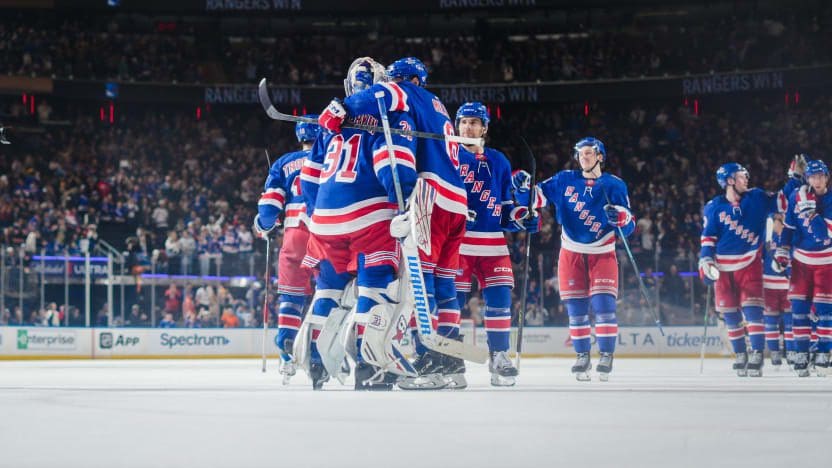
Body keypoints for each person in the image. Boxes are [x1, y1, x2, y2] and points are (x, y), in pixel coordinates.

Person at [318, 57, 469, 387]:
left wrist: (339, 108)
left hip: (432, 196)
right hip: (458, 202)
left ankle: (429, 357)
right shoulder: (438, 104)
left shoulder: (406, 93)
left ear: (404, 79)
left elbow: (378, 96)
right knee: (447, 289)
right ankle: (452, 359)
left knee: (420, 283)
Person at [302, 57, 417, 390]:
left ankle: (315, 360)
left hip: (324, 220)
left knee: (328, 288)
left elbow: (309, 181)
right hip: (368, 216)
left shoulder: (330, 125)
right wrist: (403, 204)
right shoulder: (385, 116)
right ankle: (370, 366)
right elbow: (391, 169)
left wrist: (316, 214)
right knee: (374, 286)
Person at [516, 137, 633, 381]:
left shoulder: (614, 185)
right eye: (580, 153)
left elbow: (629, 225)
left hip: (602, 253)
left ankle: (606, 355)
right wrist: (522, 186)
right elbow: (534, 199)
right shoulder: (563, 180)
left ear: (600, 156)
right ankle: (582, 357)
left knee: (604, 307)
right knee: (576, 311)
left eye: (589, 153)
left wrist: (620, 217)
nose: (583, 157)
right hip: (570, 252)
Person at [451, 102, 538, 387]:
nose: (468, 127)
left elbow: (505, 209)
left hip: (492, 244)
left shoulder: (499, 161)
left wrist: (522, 216)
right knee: (452, 303)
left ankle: (499, 356)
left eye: (474, 122)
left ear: (485, 127)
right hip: (459, 244)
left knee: (500, 300)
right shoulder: (448, 156)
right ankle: (450, 359)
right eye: (463, 122)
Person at [699, 160, 802, 377]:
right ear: (729, 181)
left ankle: (756, 353)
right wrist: (706, 261)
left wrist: (795, 179)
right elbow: (708, 238)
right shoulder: (713, 207)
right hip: (723, 268)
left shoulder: (757, 198)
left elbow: (782, 202)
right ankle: (740, 355)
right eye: (741, 176)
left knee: (753, 311)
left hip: (750, 263)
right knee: (730, 316)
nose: (746, 179)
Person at [253, 116, 321, 383]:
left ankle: (286, 358)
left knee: (291, 301)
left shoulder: (283, 163)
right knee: (326, 295)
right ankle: (317, 354)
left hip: (294, 238)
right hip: (326, 236)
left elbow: (269, 210)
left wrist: (263, 224)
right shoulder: (334, 156)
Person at [773, 159, 832, 377]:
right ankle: (801, 354)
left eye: (821, 176)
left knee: (825, 313)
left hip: (826, 262)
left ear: (827, 177)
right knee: (799, 311)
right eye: (813, 176)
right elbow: (788, 227)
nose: (817, 180)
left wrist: (811, 213)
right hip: (800, 263)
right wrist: (782, 250)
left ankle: (824, 352)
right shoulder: (796, 196)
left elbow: (823, 234)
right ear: (807, 178)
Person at [762, 213, 793, 367]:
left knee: (790, 321)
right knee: (771, 321)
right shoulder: (766, 237)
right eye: (779, 219)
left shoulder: (791, 235)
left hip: (788, 285)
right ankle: (775, 352)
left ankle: (792, 351)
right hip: (769, 286)